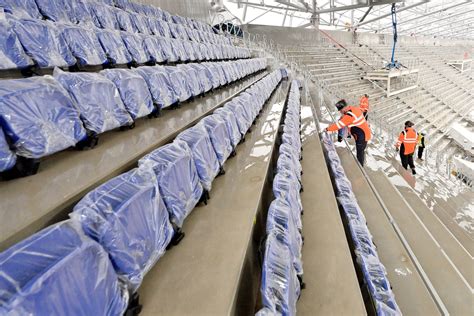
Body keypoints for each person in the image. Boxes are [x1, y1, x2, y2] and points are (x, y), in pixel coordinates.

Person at [325, 99, 371, 166]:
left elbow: (338, 125)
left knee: (360, 153)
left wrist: (327, 129)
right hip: (364, 133)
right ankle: (360, 164)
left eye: (340, 110)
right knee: (361, 151)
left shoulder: (349, 116)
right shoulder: (353, 108)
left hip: (362, 136)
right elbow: (350, 116)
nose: (340, 112)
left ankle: (360, 167)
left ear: (344, 108)